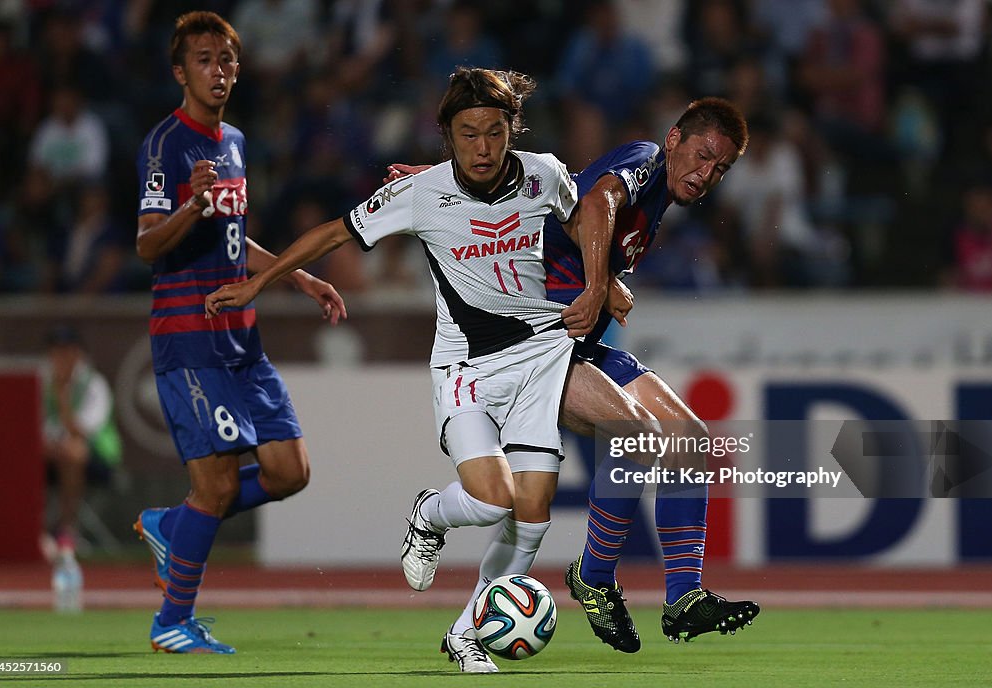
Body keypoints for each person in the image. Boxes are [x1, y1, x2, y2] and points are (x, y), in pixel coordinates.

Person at [206, 66, 659, 673]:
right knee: (493, 500)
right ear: (446, 135)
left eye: (495, 132)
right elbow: (333, 235)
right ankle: (429, 513)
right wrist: (260, 280)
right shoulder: (420, 194)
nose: (483, 146)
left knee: (533, 518)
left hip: (541, 351)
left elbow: (581, 223)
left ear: (511, 131)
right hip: (467, 364)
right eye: (468, 133)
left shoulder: (545, 173)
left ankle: (468, 634)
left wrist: (606, 281)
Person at [387, 97, 760, 657]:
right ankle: (594, 577)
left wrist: (605, 275)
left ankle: (683, 596)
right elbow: (598, 198)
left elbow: (542, 194)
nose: (706, 175)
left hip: (577, 345)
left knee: (690, 441)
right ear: (675, 137)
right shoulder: (644, 159)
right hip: (535, 344)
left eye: (721, 168)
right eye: (703, 155)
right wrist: (597, 282)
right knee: (629, 437)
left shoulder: (655, 192)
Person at [132, 11, 345, 655]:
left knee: (289, 470)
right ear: (180, 71)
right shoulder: (165, 144)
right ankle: (172, 622)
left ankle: (173, 522)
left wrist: (296, 276)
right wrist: (189, 205)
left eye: (227, 60)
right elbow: (146, 244)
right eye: (204, 60)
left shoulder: (235, 143)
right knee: (219, 484)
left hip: (242, 342)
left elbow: (230, 239)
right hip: (190, 339)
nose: (219, 71)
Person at [41, 325, 121, 557]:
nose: (61, 358)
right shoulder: (40, 381)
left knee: (73, 452)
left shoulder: (94, 385)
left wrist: (62, 398)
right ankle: (33, 531)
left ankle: (67, 530)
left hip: (96, 458)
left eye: (67, 352)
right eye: (56, 352)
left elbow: (81, 433)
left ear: (78, 354)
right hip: (50, 454)